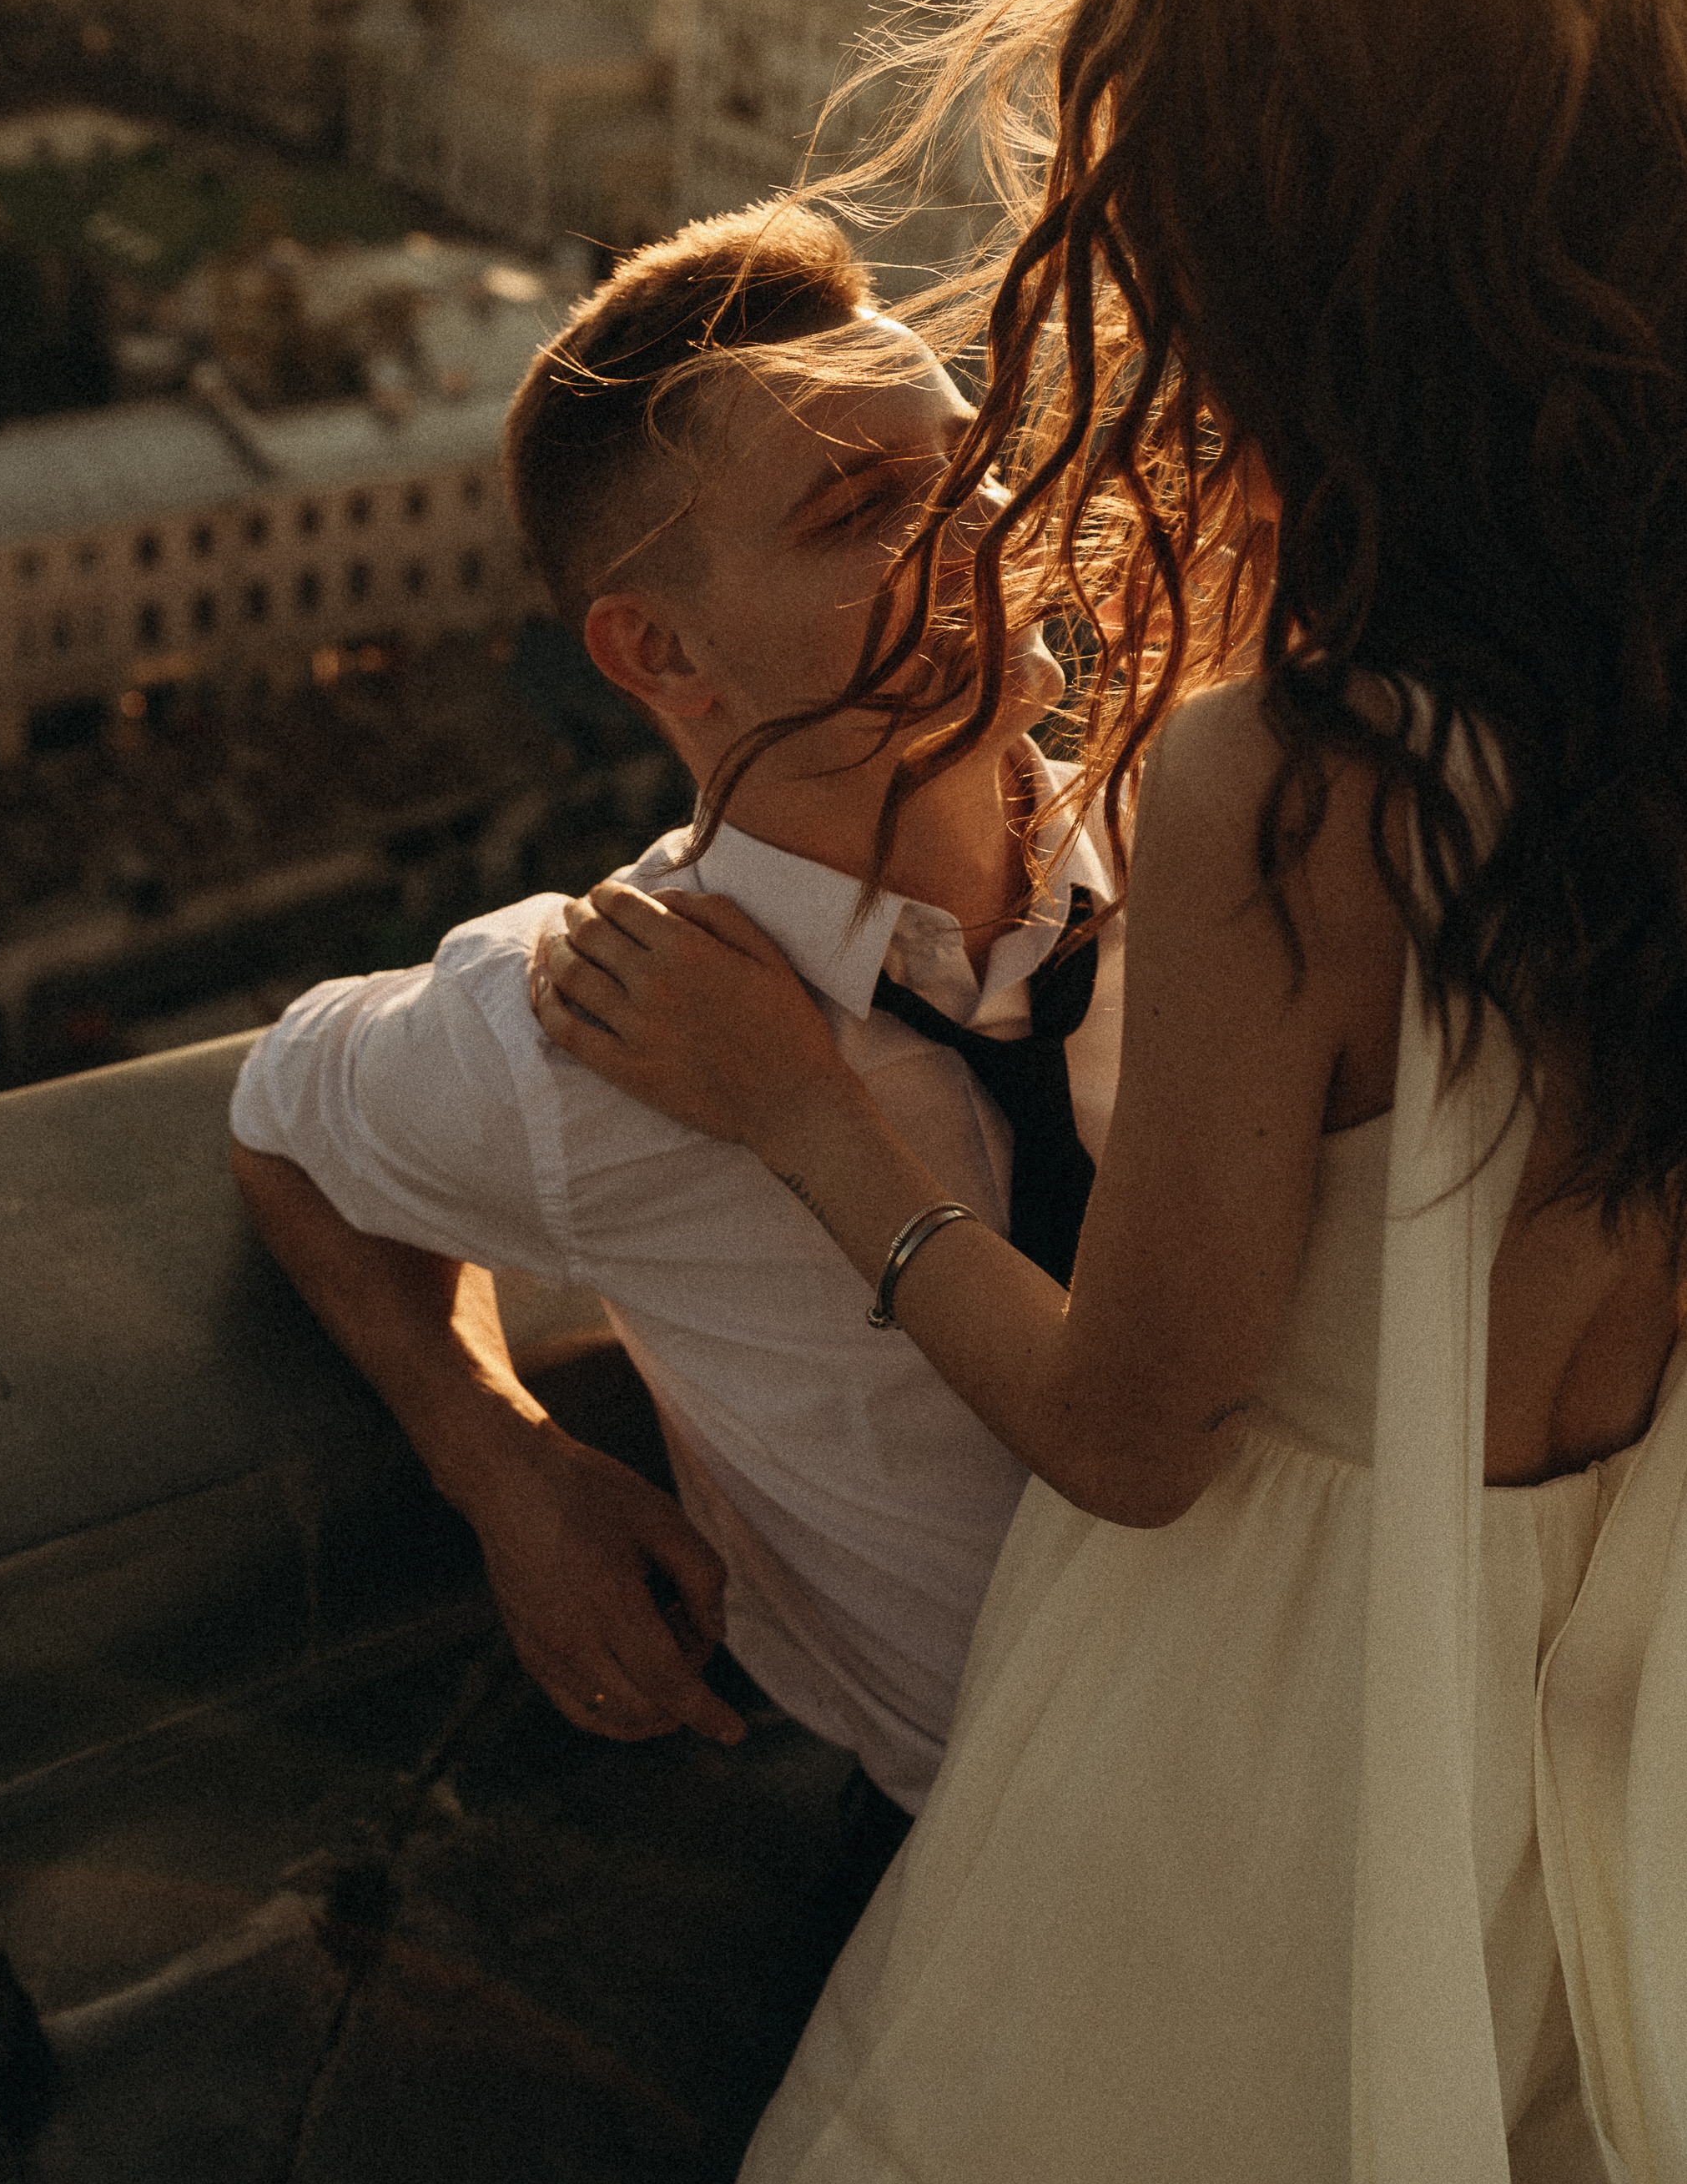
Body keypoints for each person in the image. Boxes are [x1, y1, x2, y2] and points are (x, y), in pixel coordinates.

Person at [533, 0, 1687, 2184]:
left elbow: (1134, 1434)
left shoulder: (1291, 782)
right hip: (1576, 1727)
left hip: (1242, 1753)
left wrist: (807, 1120)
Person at [229, 205, 1123, 1875]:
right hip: (1001, 1866)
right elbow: (280, 1116)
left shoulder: (1205, 866)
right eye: (863, 509)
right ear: (659, 651)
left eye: (971, 460)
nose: (980, 530)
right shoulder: (584, 1035)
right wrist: (497, 1457)